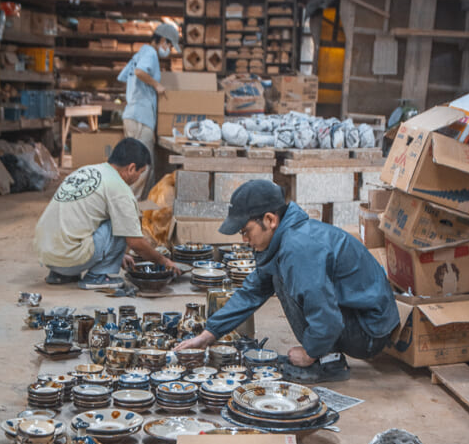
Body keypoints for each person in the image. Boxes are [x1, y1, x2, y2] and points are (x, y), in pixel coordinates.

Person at [174, 180, 400, 382]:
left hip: (369, 331)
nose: (244, 240)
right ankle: (325, 353)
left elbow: (327, 315)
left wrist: (310, 352)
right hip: (362, 318)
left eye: (246, 231)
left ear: (270, 219)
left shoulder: (298, 249)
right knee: (275, 275)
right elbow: (252, 290)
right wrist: (209, 333)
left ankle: (328, 363)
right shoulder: (286, 239)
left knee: (282, 279)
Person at [34, 137, 180, 290]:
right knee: (122, 223)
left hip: (48, 255)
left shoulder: (85, 171)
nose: (138, 178)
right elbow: (136, 243)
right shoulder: (120, 189)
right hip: (69, 259)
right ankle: (98, 276)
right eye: (140, 172)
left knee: (105, 219)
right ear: (131, 168)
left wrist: (117, 255)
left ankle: (59, 275)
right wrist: (164, 261)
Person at [118, 22, 180, 194]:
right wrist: (156, 85)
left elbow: (126, 76)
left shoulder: (141, 53)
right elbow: (139, 72)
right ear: (162, 40)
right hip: (139, 118)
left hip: (134, 116)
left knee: (133, 166)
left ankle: (132, 206)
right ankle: (132, 207)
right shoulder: (151, 53)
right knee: (141, 167)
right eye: (169, 45)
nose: (168, 50)